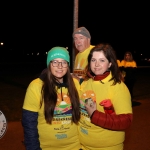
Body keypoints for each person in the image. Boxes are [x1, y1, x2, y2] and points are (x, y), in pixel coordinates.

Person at [22, 47, 82, 150]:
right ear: (49, 64)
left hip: (75, 146)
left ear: (68, 65)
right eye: (55, 62)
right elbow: (29, 122)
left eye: (64, 62)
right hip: (46, 147)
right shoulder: (36, 86)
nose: (60, 66)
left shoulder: (75, 84)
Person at [78, 43, 133, 150]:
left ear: (110, 64)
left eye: (102, 60)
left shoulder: (118, 86)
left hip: (107, 147)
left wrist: (94, 114)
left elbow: (126, 121)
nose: (96, 64)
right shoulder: (86, 83)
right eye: (93, 60)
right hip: (83, 145)